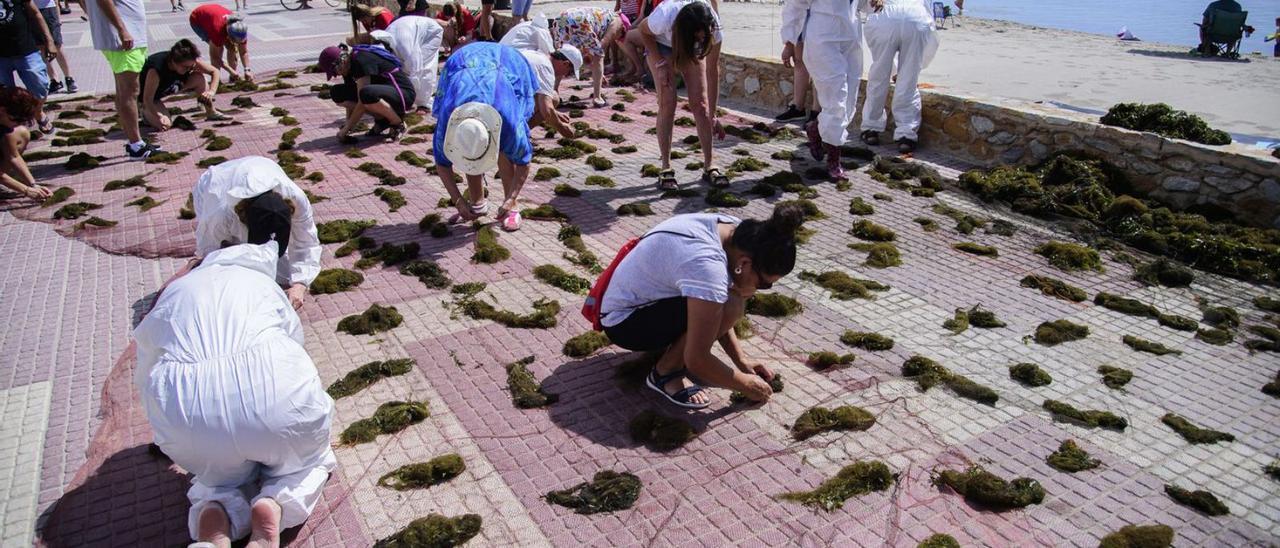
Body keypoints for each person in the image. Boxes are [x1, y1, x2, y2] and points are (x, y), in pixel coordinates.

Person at [134, 241, 336, 548]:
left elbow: (146, 369)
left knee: (217, 476)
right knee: (309, 460)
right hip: (275, 404)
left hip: (190, 418)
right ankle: (275, 504)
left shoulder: (175, 291)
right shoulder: (260, 282)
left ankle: (215, 512)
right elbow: (294, 341)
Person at [599, 203, 805, 408]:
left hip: (640, 299)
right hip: (624, 322)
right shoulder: (707, 266)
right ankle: (665, 373)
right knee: (732, 302)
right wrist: (744, 384)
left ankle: (670, 359)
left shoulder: (736, 231)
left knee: (728, 300)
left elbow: (714, 314)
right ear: (744, 264)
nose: (761, 289)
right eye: (764, 283)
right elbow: (697, 359)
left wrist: (741, 362)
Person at [433, 42, 572, 231]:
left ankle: (511, 208)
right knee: (471, 145)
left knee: (508, 152)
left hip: (507, 65)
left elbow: (523, 161)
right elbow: (442, 164)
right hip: (461, 62)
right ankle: (477, 204)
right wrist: (458, 200)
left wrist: (512, 197)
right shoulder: (449, 122)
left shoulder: (507, 119)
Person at [192, 156, 321, 310]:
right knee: (233, 267)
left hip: (262, 167)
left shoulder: (296, 199)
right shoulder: (219, 214)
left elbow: (307, 242)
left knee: (283, 275)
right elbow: (210, 253)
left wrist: (300, 285)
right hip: (213, 184)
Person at [631, 0, 726, 191]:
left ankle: (709, 165)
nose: (701, 39)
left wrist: (713, 114)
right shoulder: (665, 15)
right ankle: (666, 166)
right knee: (668, 102)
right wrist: (660, 64)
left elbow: (712, 71)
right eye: (697, 37)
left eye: (703, 37)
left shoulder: (712, 27)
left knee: (701, 105)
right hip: (661, 45)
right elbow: (643, 30)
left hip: (690, 48)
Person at [783, 0, 864, 179]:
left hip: (852, 36)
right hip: (823, 37)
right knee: (836, 100)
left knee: (849, 100)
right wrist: (789, 42)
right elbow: (795, 5)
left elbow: (864, 6)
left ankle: (816, 127)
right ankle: (834, 161)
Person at [859, 0, 937, 154]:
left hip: (884, 15)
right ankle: (906, 134)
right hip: (915, 15)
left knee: (878, 76)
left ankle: (871, 128)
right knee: (908, 78)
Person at [86, 0, 160, 158]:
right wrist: (121, 29)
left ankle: (134, 141)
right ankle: (136, 145)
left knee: (124, 91)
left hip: (124, 35)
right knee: (129, 91)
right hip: (124, 38)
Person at [317, 43, 416, 143]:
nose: (336, 75)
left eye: (335, 71)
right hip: (383, 93)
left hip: (403, 94)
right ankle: (382, 121)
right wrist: (348, 123)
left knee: (366, 94)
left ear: (340, 61)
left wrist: (345, 129)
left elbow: (361, 102)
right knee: (337, 93)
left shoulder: (360, 60)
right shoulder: (347, 66)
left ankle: (398, 124)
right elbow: (352, 97)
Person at [140, 39, 226, 132]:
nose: (189, 69)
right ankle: (144, 112)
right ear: (173, 62)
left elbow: (214, 71)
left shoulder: (190, 61)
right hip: (150, 98)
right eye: (186, 67)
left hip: (171, 86)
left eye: (191, 66)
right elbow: (147, 99)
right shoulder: (156, 69)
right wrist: (159, 116)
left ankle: (211, 112)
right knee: (166, 124)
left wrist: (211, 91)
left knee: (200, 78)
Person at [1, 0, 57, 135]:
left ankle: (38, 112)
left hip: (26, 49)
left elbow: (36, 13)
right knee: (4, 96)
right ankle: (11, 129)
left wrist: (49, 41)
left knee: (40, 87)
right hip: (2, 56)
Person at [554, 7, 630, 106]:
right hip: (580, 20)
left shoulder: (606, 16)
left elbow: (588, 55)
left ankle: (554, 91)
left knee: (564, 56)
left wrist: (598, 73)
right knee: (599, 56)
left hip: (561, 18)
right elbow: (600, 49)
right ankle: (597, 97)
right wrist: (598, 69)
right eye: (619, 37)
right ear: (623, 30)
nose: (616, 39)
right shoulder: (618, 22)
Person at [380, 17, 444, 113]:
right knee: (406, 68)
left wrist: (408, 97)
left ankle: (423, 103)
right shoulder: (385, 43)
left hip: (432, 32)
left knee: (424, 65)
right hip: (409, 29)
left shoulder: (405, 49)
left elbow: (415, 70)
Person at [0, 86, 52, 201]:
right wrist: (25, 190)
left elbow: (13, 156)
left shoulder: (4, 120)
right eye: (15, 119)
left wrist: (33, 185)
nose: (17, 123)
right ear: (2, 110)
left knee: (20, 133)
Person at [189, 3, 252, 83]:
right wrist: (231, 71)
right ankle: (216, 79)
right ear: (228, 34)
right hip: (197, 19)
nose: (238, 42)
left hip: (215, 14)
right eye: (235, 40)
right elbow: (215, 57)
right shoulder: (217, 32)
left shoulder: (241, 29)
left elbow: (244, 52)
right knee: (219, 49)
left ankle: (233, 78)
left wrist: (247, 70)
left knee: (232, 47)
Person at [775, 7, 811, 122]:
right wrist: (789, 44)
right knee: (798, 60)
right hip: (803, 17)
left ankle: (817, 111)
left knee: (820, 64)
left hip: (822, 17)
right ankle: (798, 107)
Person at [35, 0, 78, 94]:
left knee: (57, 45)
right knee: (41, 47)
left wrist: (58, 16)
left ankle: (69, 78)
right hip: (32, 8)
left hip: (48, 8)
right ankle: (54, 80)